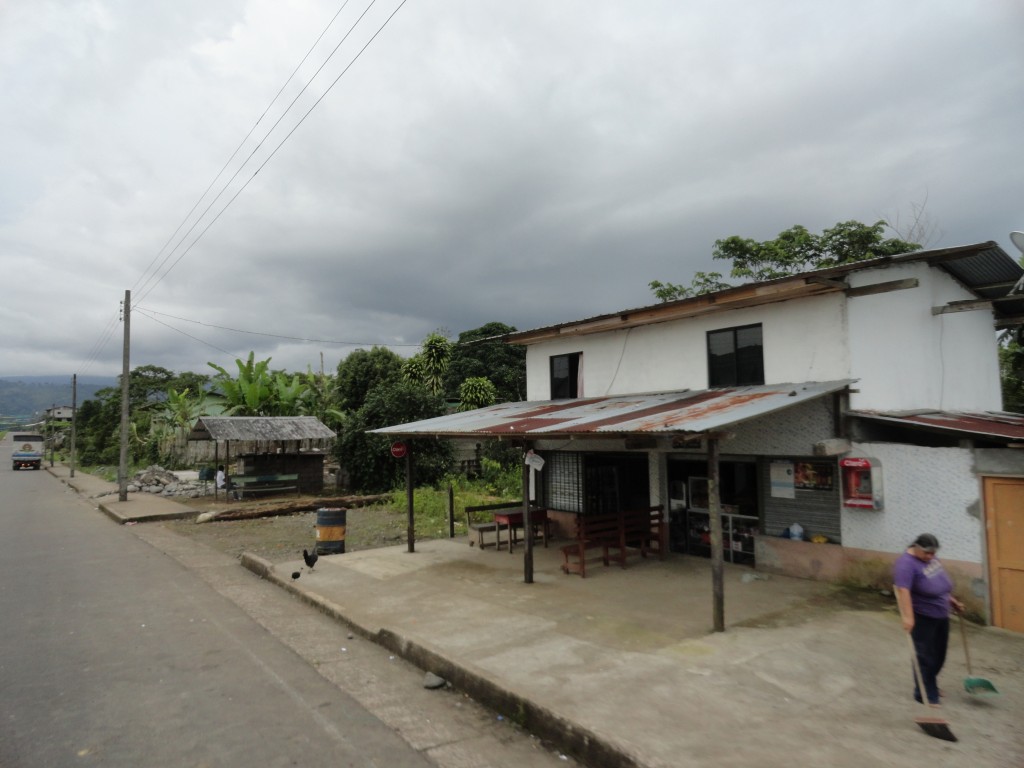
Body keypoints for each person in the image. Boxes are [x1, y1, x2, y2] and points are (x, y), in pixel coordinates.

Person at [893, 533, 964, 706]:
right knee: (925, 657)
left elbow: (938, 582)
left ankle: (930, 684)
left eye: (933, 553)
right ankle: (925, 694)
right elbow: (903, 591)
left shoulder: (929, 557)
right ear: (916, 547)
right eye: (927, 553)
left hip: (941, 612)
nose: (931, 557)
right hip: (923, 616)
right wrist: (908, 618)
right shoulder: (905, 564)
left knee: (939, 655)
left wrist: (951, 600)